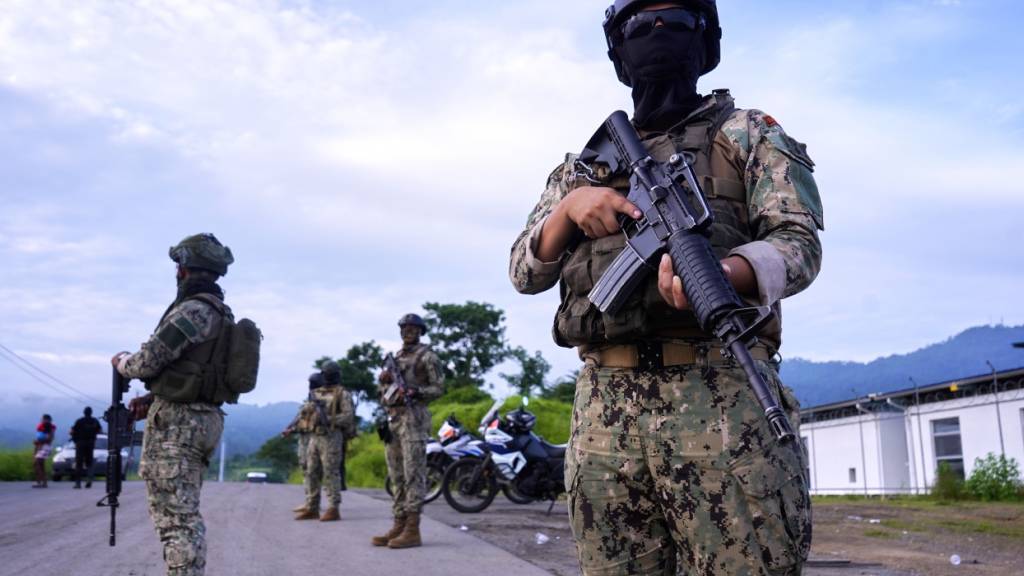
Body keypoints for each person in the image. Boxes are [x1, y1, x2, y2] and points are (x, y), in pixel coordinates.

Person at [509, 1, 823, 574]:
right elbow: (524, 274)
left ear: (703, 43)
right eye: (640, 26)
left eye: (675, 21)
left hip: (725, 399)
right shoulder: (581, 168)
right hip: (605, 411)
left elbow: (799, 244)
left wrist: (728, 275)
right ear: (619, 52)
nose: (658, 33)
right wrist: (569, 211)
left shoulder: (748, 133)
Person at [111, 233, 236, 576]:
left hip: (180, 425)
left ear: (183, 269)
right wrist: (153, 398)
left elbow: (150, 360)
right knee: (183, 516)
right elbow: (197, 372)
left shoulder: (193, 310)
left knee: (177, 523)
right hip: (202, 418)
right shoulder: (221, 314)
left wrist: (121, 363)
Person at [371, 313, 444, 549]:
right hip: (394, 418)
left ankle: (413, 529)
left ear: (421, 330)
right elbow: (383, 394)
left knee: (413, 473)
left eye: (413, 328)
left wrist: (416, 392)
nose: (408, 331)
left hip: (414, 418)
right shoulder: (396, 357)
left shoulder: (427, 356)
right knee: (396, 475)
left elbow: (439, 387)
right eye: (404, 328)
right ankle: (399, 524)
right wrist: (384, 381)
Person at [292, 361, 355, 522]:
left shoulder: (343, 394)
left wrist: (328, 419)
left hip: (332, 436)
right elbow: (306, 413)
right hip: (315, 437)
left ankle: (334, 507)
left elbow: (348, 416)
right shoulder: (316, 393)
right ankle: (312, 507)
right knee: (312, 471)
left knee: (330, 472)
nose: (329, 376)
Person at [284, 372, 323, 514]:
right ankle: (309, 501)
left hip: (311, 438)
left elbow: (307, 422)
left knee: (311, 471)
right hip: (306, 438)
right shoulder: (312, 399)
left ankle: (312, 503)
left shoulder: (319, 400)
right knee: (307, 470)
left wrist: (293, 429)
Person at [70, 406, 103, 489]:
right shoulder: (94, 421)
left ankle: (78, 483)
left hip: (80, 443)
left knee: (79, 463)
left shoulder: (79, 421)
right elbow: (99, 430)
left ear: (84, 412)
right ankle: (89, 480)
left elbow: (72, 431)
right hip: (90, 443)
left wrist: (75, 439)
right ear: (91, 412)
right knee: (89, 463)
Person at [32, 414, 56, 488]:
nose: (41, 420)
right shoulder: (41, 427)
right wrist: (37, 444)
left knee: (38, 463)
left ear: (47, 420)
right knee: (38, 464)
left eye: (43, 419)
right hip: (40, 447)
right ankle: (42, 482)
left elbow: (50, 439)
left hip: (45, 447)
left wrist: (38, 442)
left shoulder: (51, 428)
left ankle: (41, 482)